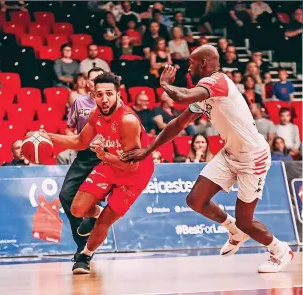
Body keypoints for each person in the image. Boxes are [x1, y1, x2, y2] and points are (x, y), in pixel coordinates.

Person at [121, 44, 294, 273]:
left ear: (203, 63)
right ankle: (233, 229)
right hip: (230, 152)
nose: (188, 69)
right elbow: (178, 124)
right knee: (195, 200)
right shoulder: (205, 92)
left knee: (246, 220)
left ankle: (280, 250)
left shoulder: (217, 81)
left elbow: (181, 96)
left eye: (191, 64)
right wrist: (148, 149)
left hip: (253, 157)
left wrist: (164, 84)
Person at [36, 72, 154, 274]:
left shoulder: (127, 121)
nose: (104, 99)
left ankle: (85, 255)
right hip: (109, 162)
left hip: (134, 174)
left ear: (118, 94)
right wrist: (46, 136)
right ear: (93, 94)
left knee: (106, 221)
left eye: (109, 94)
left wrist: (105, 156)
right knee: (77, 210)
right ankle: (97, 213)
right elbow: (80, 142)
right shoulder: (95, 115)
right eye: (99, 94)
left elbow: (131, 166)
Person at [54, 67, 105, 272]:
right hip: (84, 155)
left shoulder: (113, 105)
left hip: (104, 158)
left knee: (92, 201)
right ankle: (81, 242)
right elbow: (69, 128)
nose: (96, 83)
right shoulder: (79, 102)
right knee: (66, 195)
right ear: (87, 83)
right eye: (93, 80)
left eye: (100, 79)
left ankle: (85, 253)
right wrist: (74, 142)